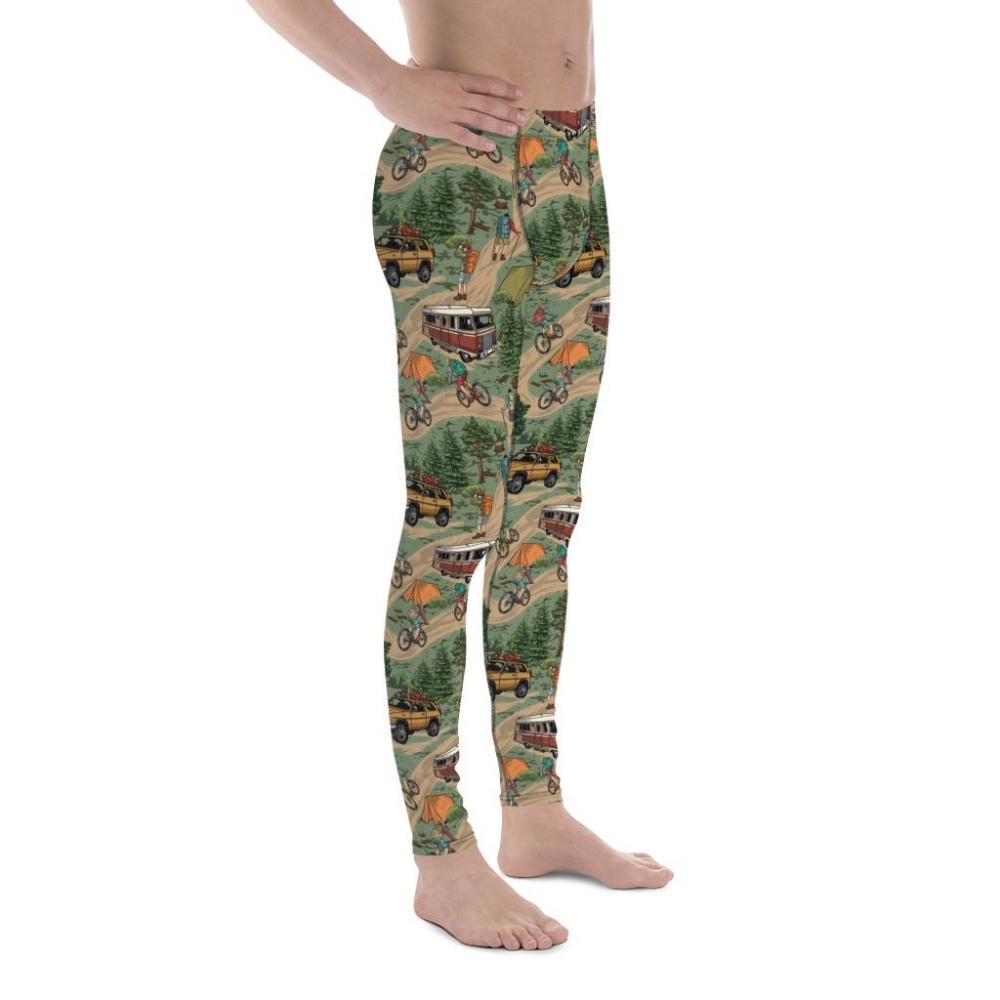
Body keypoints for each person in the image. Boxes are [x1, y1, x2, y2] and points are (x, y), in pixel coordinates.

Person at [244, 0, 672, 951]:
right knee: (456, 527)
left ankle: (535, 811)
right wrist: (384, 82)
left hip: (572, 161)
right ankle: (441, 857)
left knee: (544, 518)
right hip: (465, 168)